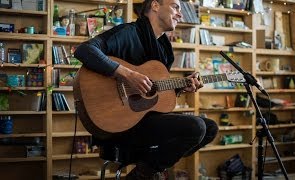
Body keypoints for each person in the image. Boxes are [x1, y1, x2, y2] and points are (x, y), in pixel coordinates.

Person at [74, 0, 218, 179]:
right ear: (155, 6)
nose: (180, 14)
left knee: (210, 128)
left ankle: (146, 170)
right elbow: (84, 50)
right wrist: (127, 74)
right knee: (196, 127)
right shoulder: (128, 33)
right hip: (117, 123)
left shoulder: (165, 50)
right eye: (175, 7)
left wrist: (181, 87)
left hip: (144, 119)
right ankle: (146, 173)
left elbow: (154, 93)